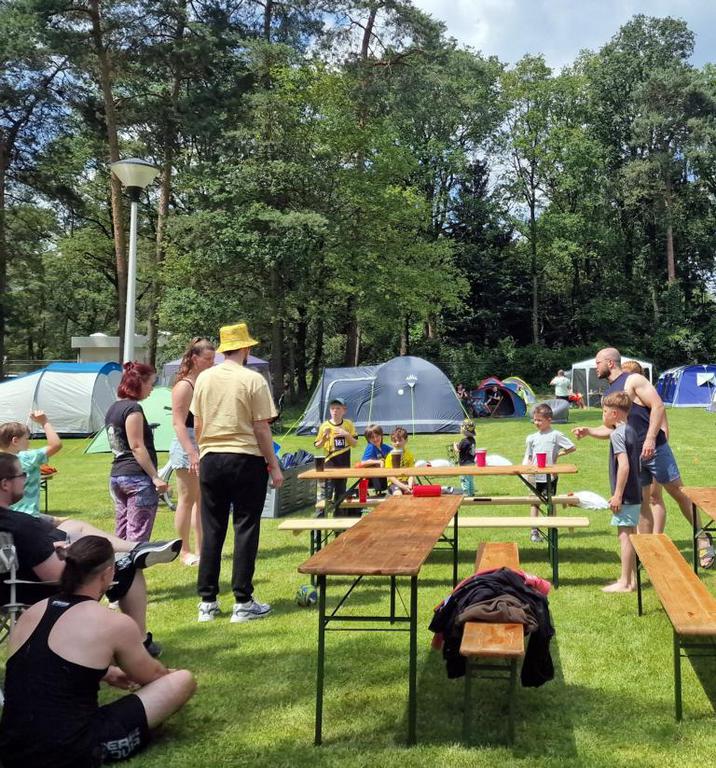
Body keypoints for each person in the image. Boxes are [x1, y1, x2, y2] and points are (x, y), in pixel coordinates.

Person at [0, 535, 195, 768]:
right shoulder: (113, 623)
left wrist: (107, 673)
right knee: (183, 680)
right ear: (108, 573)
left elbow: (39, 664)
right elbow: (154, 676)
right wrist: (169, 675)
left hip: (10, 747)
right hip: (69, 751)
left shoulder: (31, 612)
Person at [0, 452, 181, 657]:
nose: (25, 479)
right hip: (31, 590)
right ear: (5, 484)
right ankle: (140, 643)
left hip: (9, 583)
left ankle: (136, 547)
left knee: (73, 527)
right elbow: (57, 576)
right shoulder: (20, 526)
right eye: (21, 475)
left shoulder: (16, 524)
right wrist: (74, 553)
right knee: (126, 565)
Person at [572, 347, 714, 568]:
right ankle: (647, 553)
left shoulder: (633, 380)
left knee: (678, 493)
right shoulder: (610, 393)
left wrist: (650, 438)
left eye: (598, 362)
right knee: (643, 503)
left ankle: (703, 538)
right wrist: (589, 431)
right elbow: (611, 428)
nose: (595, 367)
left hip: (655, 449)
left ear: (610, 363)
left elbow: (657, 405)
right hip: (633, 457)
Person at [191, 322, 283, 624]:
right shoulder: (252, 379)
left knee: (212, 528)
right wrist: (274, 464)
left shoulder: (204, 378)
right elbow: (261, 427)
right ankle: (243, 602)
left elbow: (198, 423)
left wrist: (204, 451)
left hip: (211, 458)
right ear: (245, 348)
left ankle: (207, 602)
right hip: (245, 458)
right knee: (245, 527)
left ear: (222, 349)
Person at [106, 362, 168, 543]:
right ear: (138, 383)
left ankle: (118, 562)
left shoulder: (113, 408)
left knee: (121, 535)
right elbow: (136, 446)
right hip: (137, 480)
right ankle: (134, 563)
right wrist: (155, 477)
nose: (152, 389)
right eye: (150, 383)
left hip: (117, 477)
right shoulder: (133, 409)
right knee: (137, 538)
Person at [169, 337, 216, 565]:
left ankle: (202, 549)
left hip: (203, 441)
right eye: (207, 359)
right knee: (186, 500)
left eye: (213, 359)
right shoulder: (184, 386)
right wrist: (191, 452)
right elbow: (178, 423)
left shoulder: (204, 382)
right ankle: (184, 551)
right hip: (186, 444)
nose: (211, 363)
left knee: (202, 500)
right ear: (195, 359)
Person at [621, 359, 669, 534]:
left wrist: (654, 448)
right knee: (641, 499)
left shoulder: (650, 398)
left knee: (655, 497)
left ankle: (657, 536)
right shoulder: (627, 401)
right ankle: (645, 539)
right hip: (637, 454)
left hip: (654, 452)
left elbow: (664, 429)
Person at [600, 392, 641, 592]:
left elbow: (624, 466)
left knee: (624, 536)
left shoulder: (617, 434)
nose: (603, 415)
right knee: (630, 535)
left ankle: (624, 582)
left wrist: (617, 495)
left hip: (626, 495)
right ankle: (631, 580)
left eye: (604, 411)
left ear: (614, 413)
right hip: (635, 492)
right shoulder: (630, 430)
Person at [522, 404, 576, 543]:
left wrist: (558, 454)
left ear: (549, 420)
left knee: (550, 502)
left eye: (540, 420)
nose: (536, 423)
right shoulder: (532, 438)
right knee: (534, 503)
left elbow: (571, 447)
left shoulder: (556, 435)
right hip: (534, 475)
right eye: (535, 420)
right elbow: (529, 457)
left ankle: (552, 529)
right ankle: (534, 531)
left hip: (550, 476)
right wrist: (528, 471)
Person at [0, 411, 62, 516]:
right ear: (15, 441)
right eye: (26, 438)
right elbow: (56, 445)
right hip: (28, 516)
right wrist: (44, 422)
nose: (29, 442)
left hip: (5, 517)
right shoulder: (26, 458)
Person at [314, 397, 358, 507]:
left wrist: (346, 434)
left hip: (344, 463)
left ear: (344, 410)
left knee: (341, 493)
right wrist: (324, 439)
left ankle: (338, 514)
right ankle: (321, 514)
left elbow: (354, 443)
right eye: (332, 408)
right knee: (326, 493)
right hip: (329, 463)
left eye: (338, 408)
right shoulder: (325, 426)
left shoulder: (348, 424)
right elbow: (317, 446)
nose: (335, 411)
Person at [360, 423, 392, 496]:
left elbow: (394, 452)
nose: (375, 439)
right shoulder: (371, 447)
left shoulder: (384, 446)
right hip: (374, 479)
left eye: (377, 436)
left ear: (381, 435)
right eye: (372, 437)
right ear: (368, 439)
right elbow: (363, 462)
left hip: (384, 476)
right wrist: (379, 461)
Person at [385, 426, 416, 495]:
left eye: (400, 440)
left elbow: (412, 473)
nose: (397, 443)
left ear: (406, 440)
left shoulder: (409, 455)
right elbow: (390, 476)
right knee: (398, 493)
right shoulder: (390, 456)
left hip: (407, 482)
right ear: (391, 442)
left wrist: (410, 486)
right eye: (394, 441)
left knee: (415, 493)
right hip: (394, 483)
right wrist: (403, 487)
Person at [453, 419, 477, 496]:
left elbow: (457, 450)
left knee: (464, 479)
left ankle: (466, 493)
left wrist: (454, 445)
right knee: (470, 479)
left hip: (464, 463)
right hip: (472, 462)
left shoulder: (464, 441)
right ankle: (472, 492)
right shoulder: (473, 440)